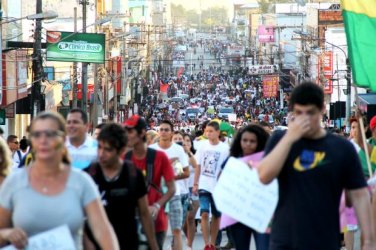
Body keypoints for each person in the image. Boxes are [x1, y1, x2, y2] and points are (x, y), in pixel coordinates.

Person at [258, 82, 376, 249]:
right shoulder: (279, 140)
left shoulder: (342, 148)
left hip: (324, 240)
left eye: (310, 113)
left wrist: (370, 241)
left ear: (322, 109)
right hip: (285, 240)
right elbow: (264, 175)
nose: (305, 118)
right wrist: (290, 137)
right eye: (299, 113)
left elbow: (359, 195)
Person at [0, 111, 119, 249]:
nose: (43, 140)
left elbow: (103, 230)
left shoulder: (81, 182)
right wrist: (6, 234)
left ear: (63, 139)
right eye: (37, 134)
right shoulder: (14, 182)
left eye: (50, 134)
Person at [84, 123, 159, 250]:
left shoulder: (134, 175)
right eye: (99, 147)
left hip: (127, 243)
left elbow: (144, 213)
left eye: (108, 149)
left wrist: (153, 245)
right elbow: (80, 216)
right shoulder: (88, 175)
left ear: (121, 150)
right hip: (95, 244)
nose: (101, 154)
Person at [124, 115, 176, 250]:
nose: (126, 135)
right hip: (131, 221)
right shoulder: (124, 158)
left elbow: (171, 188)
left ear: (141, 133)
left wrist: (158, 206)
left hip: (156, 220)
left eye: (130, 131)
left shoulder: (159, 157)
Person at [226, 125, 270, 250]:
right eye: (245, 140)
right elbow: (221, 180)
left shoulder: (268, 160)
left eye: (252, 141)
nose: (248, 144)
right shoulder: (232, 160)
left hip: (262, 213)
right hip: (238, 213)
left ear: (259, 142)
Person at [150, 122, 189, 250]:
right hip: (156, 196)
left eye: (167, 130)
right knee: (159, 231)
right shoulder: (152, 149)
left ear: (171, 132)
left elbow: (186, 172)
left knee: (176, 230)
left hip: (174, 194)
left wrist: (168, 177)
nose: (164, 132)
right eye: (161, 129)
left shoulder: (178, 150)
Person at [193, 121, 229, 250]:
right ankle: (206, 243)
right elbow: (198, 165)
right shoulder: (203, 146)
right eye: (206, 131)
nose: (208, 134)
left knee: (216, 215)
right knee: (203, 213)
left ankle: (212, 243)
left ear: (218, 132)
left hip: (218, 187)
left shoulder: (225, 148)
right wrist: (195, 183)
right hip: (204, 185)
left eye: (211, 131)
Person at [182, 133, 200, 250]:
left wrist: (188, 152)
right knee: (183, 221)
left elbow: (196, 167)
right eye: (184, 141)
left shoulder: (196, 154)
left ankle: (189, 245)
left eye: (188, 141)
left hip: (193, 189)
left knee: (190, 218)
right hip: (181, 189)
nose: (186, 143)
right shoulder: (177, 154)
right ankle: (188, 237)